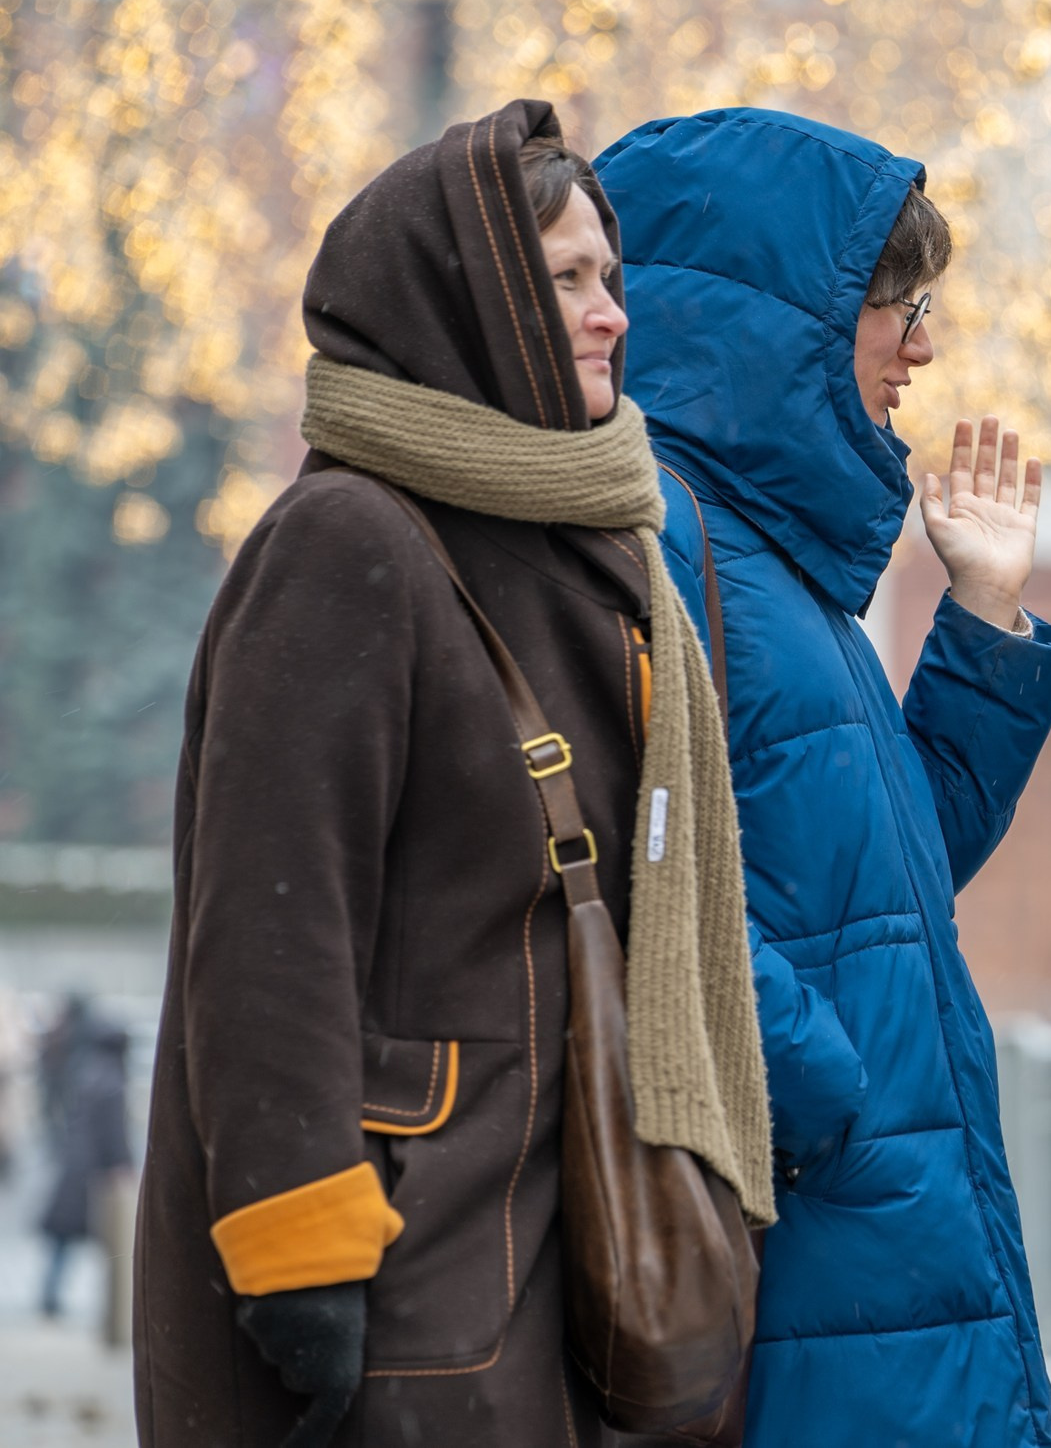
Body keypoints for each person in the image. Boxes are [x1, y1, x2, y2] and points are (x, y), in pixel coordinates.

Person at [135, 101, 771, 1447]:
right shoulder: (349, 537)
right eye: (567, 280)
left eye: (614, 279)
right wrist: (304, 1247)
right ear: (468, 299)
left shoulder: (593, 536)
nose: (612, 315)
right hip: (409, 1261)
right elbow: (269, 933)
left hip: (571, 1228)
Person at [601, 109, 1051, 1448]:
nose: (921, 345)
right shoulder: (666, 545)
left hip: (872, 1227)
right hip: (811, 1229)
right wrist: (832, 1090)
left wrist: (983, 622)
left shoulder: (773, 569)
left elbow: (883, 885)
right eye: (891, 304)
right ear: (772, 326)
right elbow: (631, 879)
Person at [35, 992, 130, 1320]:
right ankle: (114, 1305)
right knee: (112, 1242)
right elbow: (114, 1132)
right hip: (94, 1171)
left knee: (64, 1237)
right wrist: (123, 1166)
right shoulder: (112, 1079)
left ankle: (50, 1294)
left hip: (74, 1165)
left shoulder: (86, 1069)